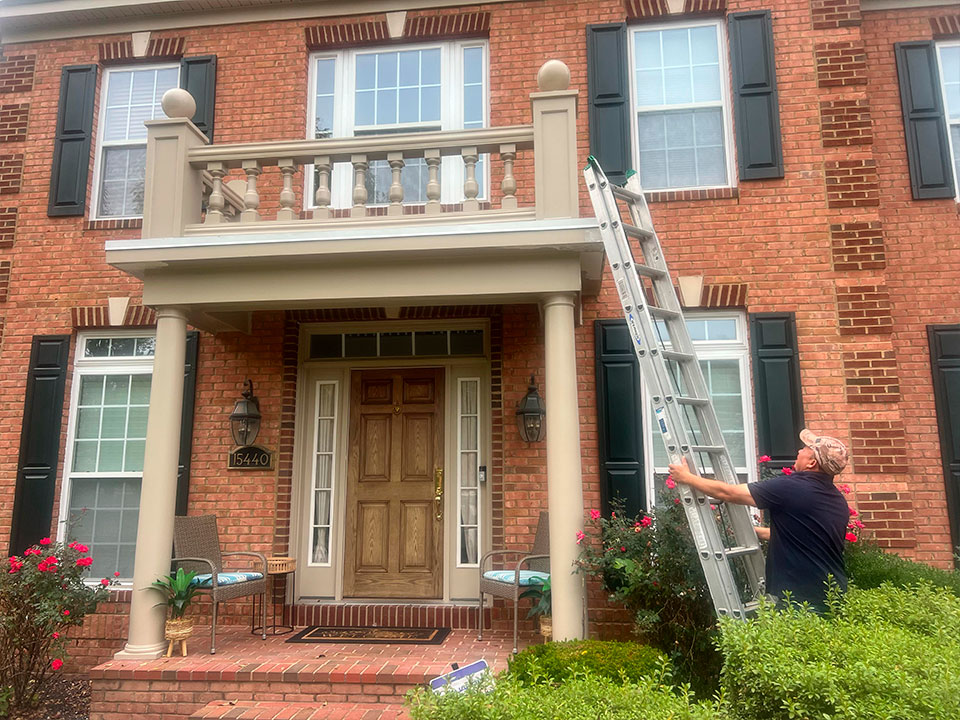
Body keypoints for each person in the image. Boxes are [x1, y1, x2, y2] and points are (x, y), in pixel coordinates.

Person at [668, 429, 850, 611]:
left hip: (800, 600)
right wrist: (752, 531)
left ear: (812, 463)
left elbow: (728, 493)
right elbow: (804, 535)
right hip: (833, 595)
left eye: (805, 449)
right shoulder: (837, 500)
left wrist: (687, 477)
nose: (799, 451)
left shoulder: (792, 487)